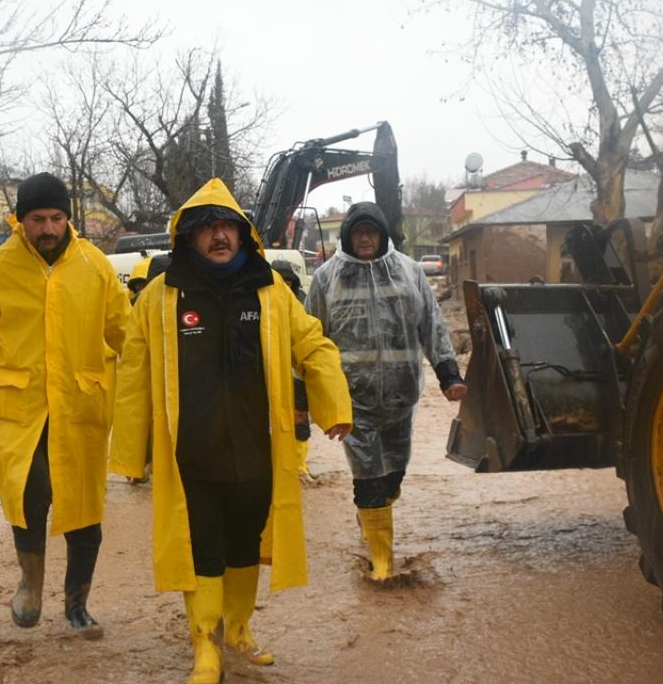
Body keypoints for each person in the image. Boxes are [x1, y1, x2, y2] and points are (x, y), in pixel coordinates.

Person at [111, 178, 352, 684]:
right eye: (208, 228)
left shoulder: (270, 291)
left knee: (245, 544)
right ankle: (206, 645)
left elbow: (313, 345)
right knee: (201, 547)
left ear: (243, 235)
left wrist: (333, 405)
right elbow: (133, 374)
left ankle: (238, 630)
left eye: (228, 227)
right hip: (191, 452)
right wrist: (132, 450)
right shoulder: (159, 297)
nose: (219, 236)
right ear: (189, 237)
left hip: (256, 448)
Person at [0, 172, 130, 639]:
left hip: (80, 405)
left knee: (84, 507)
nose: (48, 229)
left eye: (56, 218)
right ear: (20, 220)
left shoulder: (95, 266)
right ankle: (31, 584)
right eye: (38, 219)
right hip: (18, 408)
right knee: (30, 494)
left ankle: (78, 604)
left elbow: (128, 334)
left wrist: (158, 387)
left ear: (68, 218)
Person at [305, 202, 466, 582]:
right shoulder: (327, 278)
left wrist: (448, 374)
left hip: (401, 397)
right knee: (368, 479)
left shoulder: (409, 272)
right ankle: (381, 562)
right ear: (348, 236)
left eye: (371, 231)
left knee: (394, 474)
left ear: (382, 235)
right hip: (351, 400)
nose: (365, 238)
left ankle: (372, 518)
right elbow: (309, 337)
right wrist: (303, 398)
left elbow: (432, 325)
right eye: (358, 232)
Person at [271, 260, 315, 477]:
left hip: (298, 375)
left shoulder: (303, 303)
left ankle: (299, 466)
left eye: (288, 281)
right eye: (281, 280)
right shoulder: (261, 302)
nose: (284, 285)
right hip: (272, 375)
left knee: (300, 421)